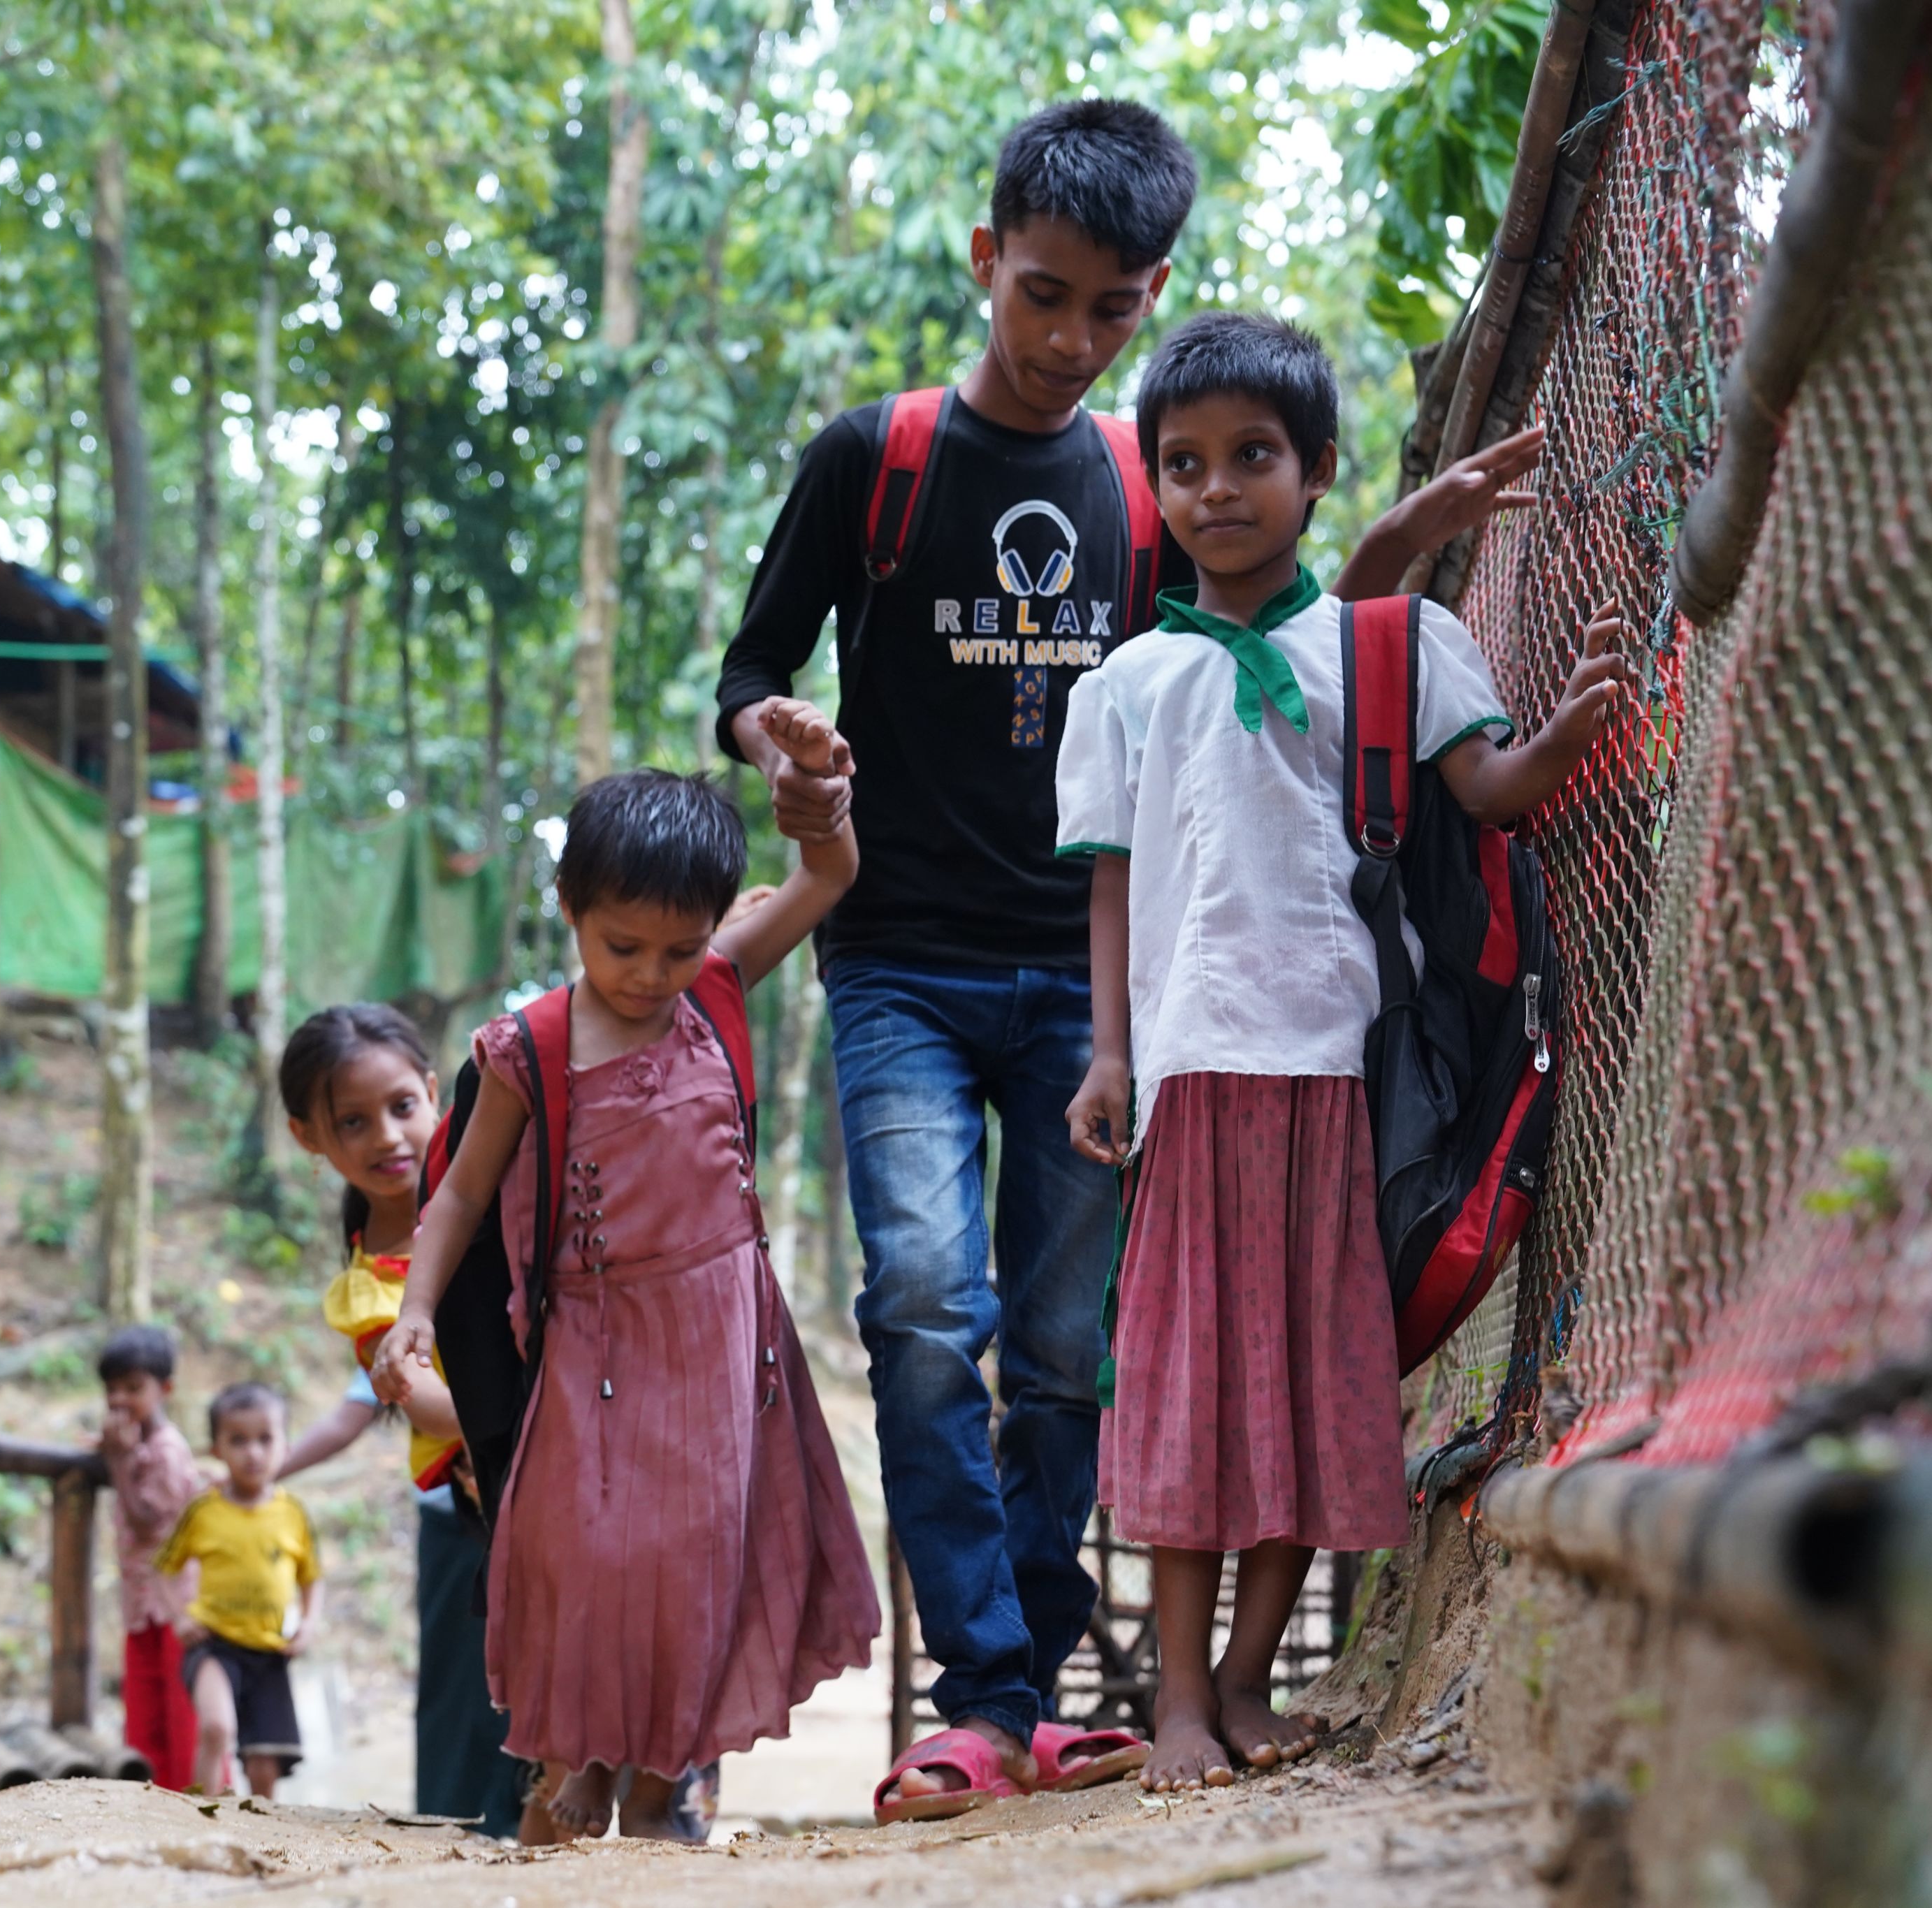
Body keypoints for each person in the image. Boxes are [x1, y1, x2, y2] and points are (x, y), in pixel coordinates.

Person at [711, 99, 1557, 1812]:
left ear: (1151, 292)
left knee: (1069, 1343)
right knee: (926, 1305)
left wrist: (1401, 555)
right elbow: (745, 671)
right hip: (903, 962)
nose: (1070, 341)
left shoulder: (1143, 477)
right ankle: (987, 1688)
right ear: (984, 264)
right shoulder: (870, 459)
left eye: (1111, 310)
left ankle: (1039, 1684)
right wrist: (779, 731)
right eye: (1042, 297)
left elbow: (1284, 637)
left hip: (1121, 989)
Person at [1056, 313, 1630, 1789]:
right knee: (1188, 1385)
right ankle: (1175, 1703)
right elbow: (1113, 882)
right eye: (1180, 465)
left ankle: (1249, 1681)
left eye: (1253, 456)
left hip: (1339, 1077)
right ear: (1152, 490)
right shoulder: (1122, 689)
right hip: (1189, 1081)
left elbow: (1486, 788)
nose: (1215, 489)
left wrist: (1559, 737)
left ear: (1314, 473)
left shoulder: (1394, 643)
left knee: (1315, 1380)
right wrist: (1105, 1055)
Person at [372, 740, 880, 1844]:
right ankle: (572, 1766)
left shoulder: (716, 984)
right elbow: (455, 1196)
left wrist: (820, 792)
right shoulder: (530, 1047)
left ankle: (661, 1791)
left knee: (701, 1558)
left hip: (722, 1341)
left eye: (678, 947)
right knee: (588, 1557)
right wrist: (414, 1308)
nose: (651, 973)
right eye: (621, 945)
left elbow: (827, 876)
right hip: (593, 1351)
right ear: (569, 906)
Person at [271, 1003, 529, 1837]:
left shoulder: (501, 1187)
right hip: (468, 1508)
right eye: (352, 1121)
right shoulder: (366, 1287)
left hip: (549, 1484)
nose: (386, 1135)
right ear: (310, 1137)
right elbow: (418, 1401)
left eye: (401, 1107)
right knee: (472, 1710)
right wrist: (533, 1420)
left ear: (433, 1092)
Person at [157, 1381, 323, 1798]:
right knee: (216, 1729)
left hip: (269, 1652)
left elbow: (311, 1577)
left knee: (263, 1763)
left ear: (285, 1446)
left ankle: (262, 1848)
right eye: (238, 1440)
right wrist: (180, 1615)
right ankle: (204, 1825)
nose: (253, 1453)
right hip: (214, 1645)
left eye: (265, 1439)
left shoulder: (292, 1514)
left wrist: (307, 1625)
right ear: (217, 1448)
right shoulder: (203, 1510)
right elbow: (164, 1568)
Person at [94, 1323, 202, 1791]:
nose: (121, 1399)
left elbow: (145, 1520)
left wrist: (117, 1462)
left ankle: (201, 1808)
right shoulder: (137, 1444)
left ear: (165, 1389)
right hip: (142, 1606)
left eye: (134, 1388)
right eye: (112, 1389)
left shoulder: (168, 1451)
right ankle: (155, 1809)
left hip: (176, 1606)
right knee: (145, 1718)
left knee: (185, 1718)